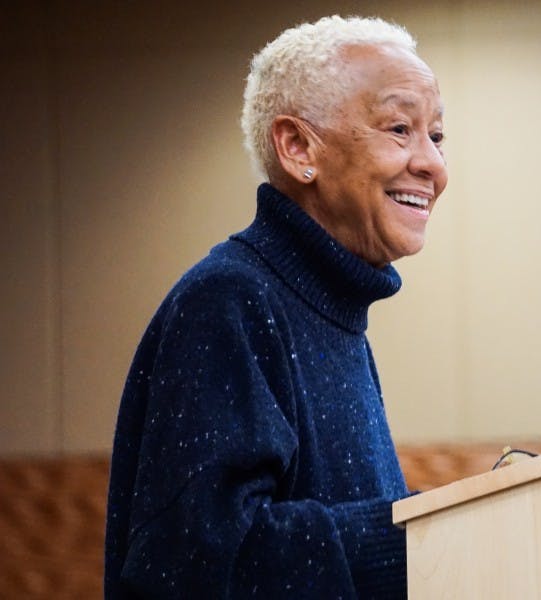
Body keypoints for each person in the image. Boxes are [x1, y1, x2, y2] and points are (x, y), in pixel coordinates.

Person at [104, 15, 447, 598]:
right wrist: (419, 541)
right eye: (399, 129)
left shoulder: (333, 311)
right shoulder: (228, 302)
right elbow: (194, 565)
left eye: (436, 136)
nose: (433, 165)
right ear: (298, 147)